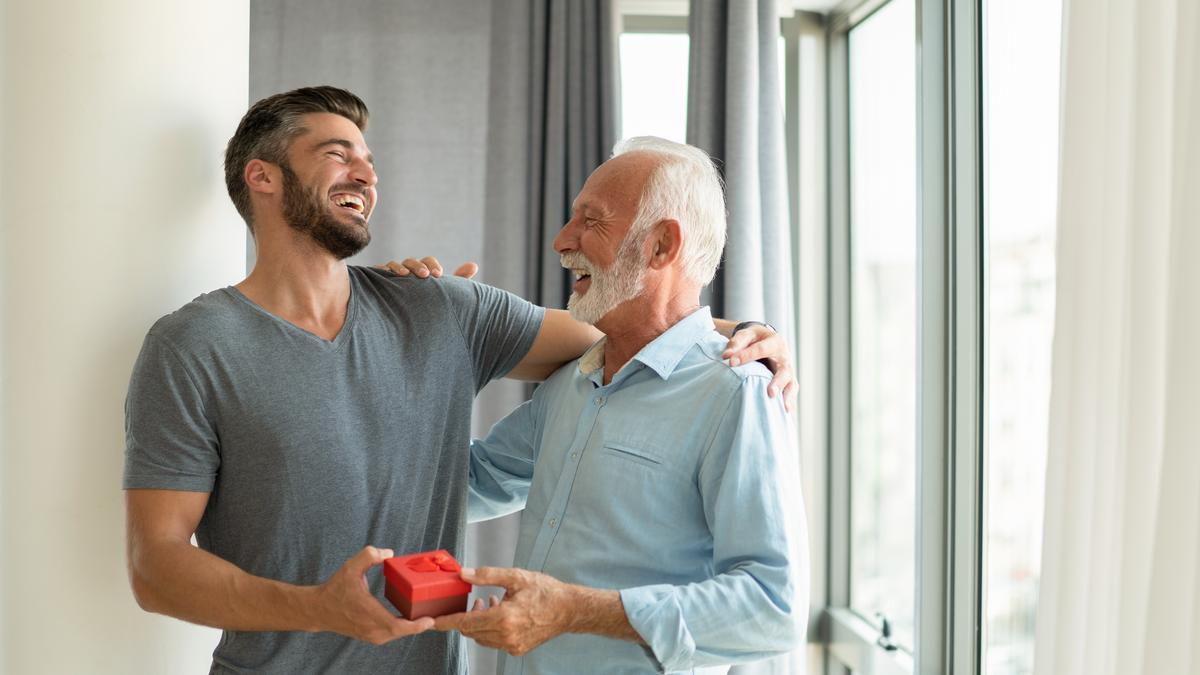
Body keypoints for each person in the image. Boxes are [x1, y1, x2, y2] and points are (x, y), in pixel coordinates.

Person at [123, 86, 793, 674]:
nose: (366, 171)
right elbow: (155, 565)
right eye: (337, 153)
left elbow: (634, 332)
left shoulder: (441, 307)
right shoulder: (193, 346)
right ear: (262, 178)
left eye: (369, 159)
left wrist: (740, 333)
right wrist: (316, 607)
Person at [431, 137, 809, 675]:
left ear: (661, 246)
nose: (563, 241)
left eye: (592, 220)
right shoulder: (572, 381)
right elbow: (471, 482)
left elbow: (773, 607)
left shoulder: (737, 392)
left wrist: (575, 612)